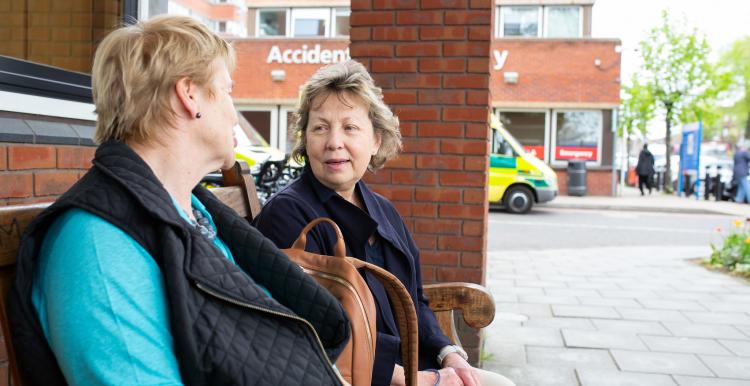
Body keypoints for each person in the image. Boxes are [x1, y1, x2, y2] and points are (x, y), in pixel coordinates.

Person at [7, 15, 350, 385]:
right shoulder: (96, 245)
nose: (234, 112)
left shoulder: (193, 214)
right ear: (189, 96)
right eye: (228, 90)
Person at [253, 60, 515, 386]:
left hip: (415, 365)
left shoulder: (383, 210)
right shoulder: (288, 217)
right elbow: (309, 333)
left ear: (376, 140)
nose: (334, 141)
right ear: (305, 139)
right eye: (320, 127)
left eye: (350, 128)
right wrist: (420, 379)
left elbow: (415, 297)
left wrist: (447, 351)